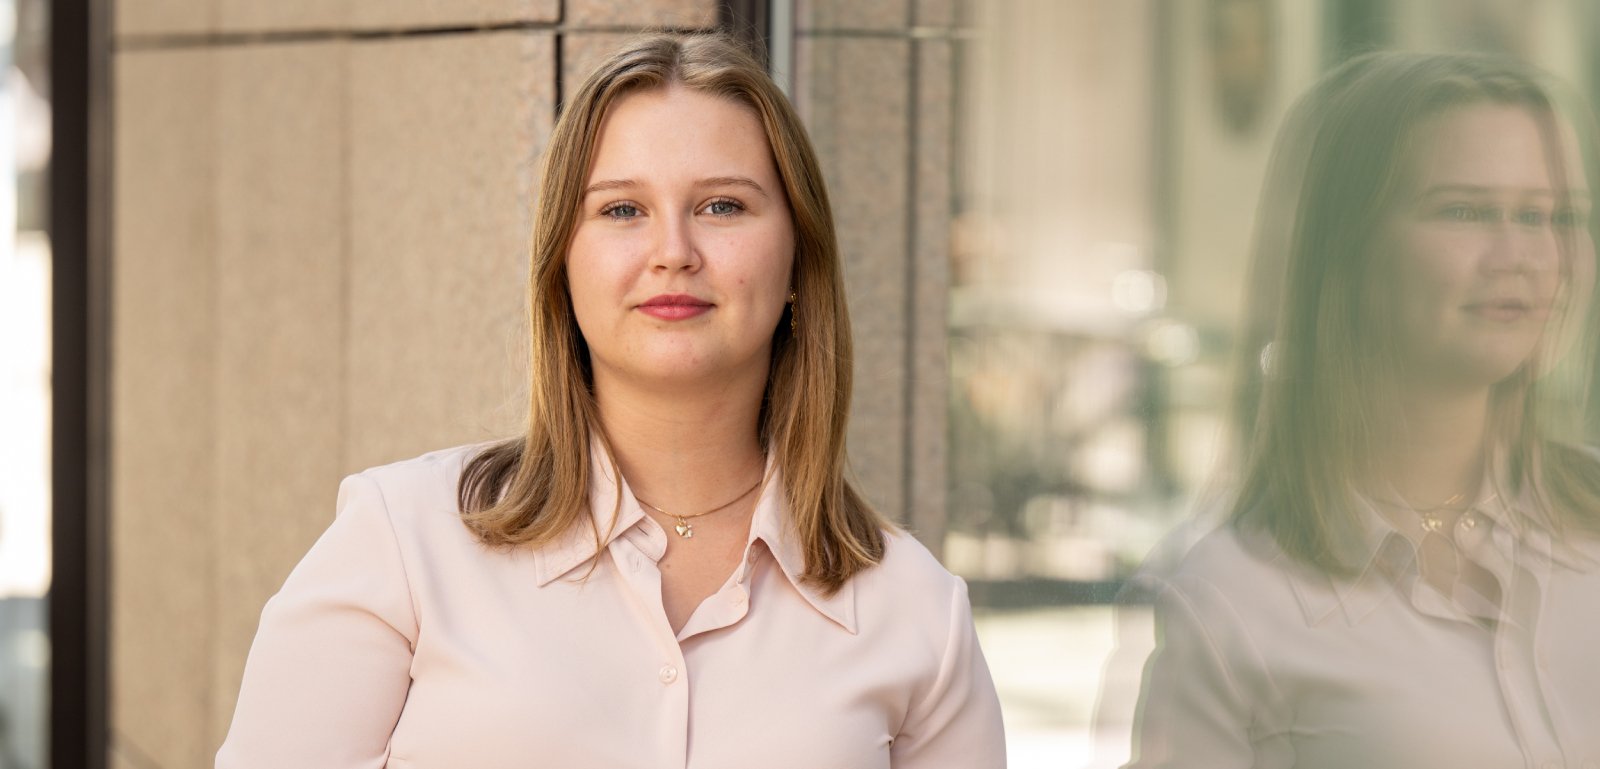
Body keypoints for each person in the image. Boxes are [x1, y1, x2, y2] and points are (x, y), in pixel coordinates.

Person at [216, 32, 1005, 768]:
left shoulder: (918, 614)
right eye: (622, 209)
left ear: (801, 260)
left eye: (722, 205)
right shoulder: (404, 541)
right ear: (563, 261)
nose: (673, 252)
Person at [1124, 51, 1600, 768]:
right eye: (1465, 210)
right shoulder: (1234, 602)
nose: (1524, 254)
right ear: (1346, 248)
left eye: (1551, 215)